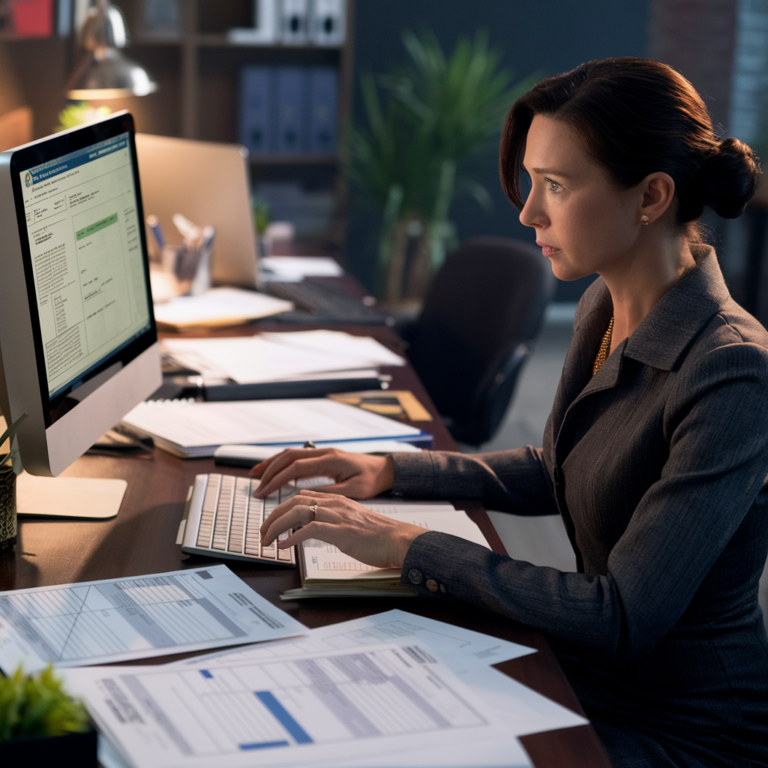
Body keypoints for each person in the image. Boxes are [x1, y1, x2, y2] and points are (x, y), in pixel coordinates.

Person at [252, 57, 768, 767]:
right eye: (531, 182)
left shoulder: (733, 369)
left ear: (651, 196)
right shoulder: (602, 302)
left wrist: (408, 546)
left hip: (685, 730)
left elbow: (621, 615)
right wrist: (386, 470)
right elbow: (556, 466)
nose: (528, 211)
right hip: (593, 675)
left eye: (555, 185)